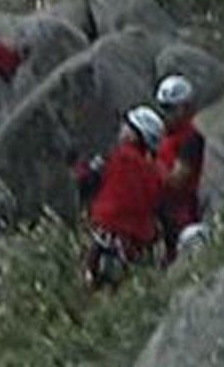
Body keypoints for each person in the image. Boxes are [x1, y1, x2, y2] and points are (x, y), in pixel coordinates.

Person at [73, 105, 166, 289]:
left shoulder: (120, 157)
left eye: (127, 125)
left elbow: (85, 180)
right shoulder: (155, 173)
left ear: (135, 135)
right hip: (134, 248)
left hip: (103, 236)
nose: (122, 128)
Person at [153, 75, 206, 267]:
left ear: (185, 108)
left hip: (181, 214)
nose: (164, 114)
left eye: (170, 108)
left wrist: (148, 170)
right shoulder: (161, 136)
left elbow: (178, 180)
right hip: (158, 211)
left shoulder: (191, 139)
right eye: (162, 107)